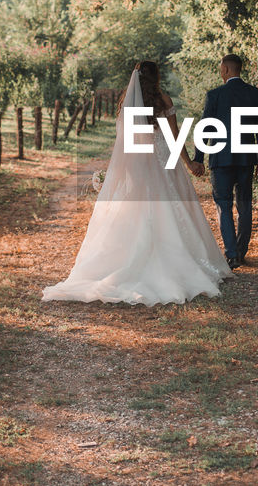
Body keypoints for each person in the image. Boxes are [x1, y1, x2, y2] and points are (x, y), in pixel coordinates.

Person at [42, 61, 232, 305]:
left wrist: (118, 173)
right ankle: (178, 259)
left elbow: (123, 142)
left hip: (139, 160)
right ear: (156, 76)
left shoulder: (128, 100)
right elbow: (174, 137)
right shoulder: (163, 99)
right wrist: (189, 163)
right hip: (164, 159)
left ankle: (128, 258)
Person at [190, 54, 258, 269]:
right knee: (245, 205)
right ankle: (241, 252)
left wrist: (198, 158)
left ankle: (232, 255)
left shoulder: (215, 95)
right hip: (246, 158)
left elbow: (206, 128)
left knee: (223, 205)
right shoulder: (255, 94)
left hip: (220, 158)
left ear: (225, 69)